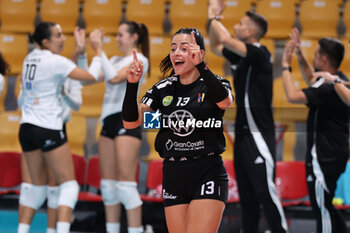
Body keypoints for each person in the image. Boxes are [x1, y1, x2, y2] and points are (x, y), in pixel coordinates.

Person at [122, 27, 233, 233]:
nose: (177, 53)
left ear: (198, 52)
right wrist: (132, 86)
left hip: (207, 169)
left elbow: (224, 102)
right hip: (173, 173)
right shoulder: (163, 89)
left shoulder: (213, 84)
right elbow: (131, 122)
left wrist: (202, 66)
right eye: (173, 49)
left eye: (184, 48)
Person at [207, 1, 288, 232]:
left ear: (250, 31)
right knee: (248, 198)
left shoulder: (260, 53)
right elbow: (215, 46)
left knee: (265, 191)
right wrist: (211, 14)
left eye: (241, 24)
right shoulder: (242, 58)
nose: (236, 26)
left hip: (258, 135)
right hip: (243, 135)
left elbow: (223, 39)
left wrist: (214, 17)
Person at [17, 22, 102, 233]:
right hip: (48, 128)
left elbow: (61, 68)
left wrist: (77, 52)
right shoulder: (55, 62)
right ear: (46, 42)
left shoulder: (30, 58)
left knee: (36, 188)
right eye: (58, 35)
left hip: (26, 129)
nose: (63, 38)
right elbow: (91, 76)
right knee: (69, 185)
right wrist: (97, 51)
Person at [86, 21, 149, 233]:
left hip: (126, 120)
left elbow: (113, 78)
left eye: (121, 34)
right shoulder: (113, 59)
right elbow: (91, 77)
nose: (117, 38)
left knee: (125, 184)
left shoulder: (140, 59)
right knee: (108, 186)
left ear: (134, 38)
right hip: (108, 121)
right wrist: (80, 50)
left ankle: (135, 230)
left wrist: (98, 48)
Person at [282, 35, 349, 233]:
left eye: (316, 53)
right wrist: (301, 54)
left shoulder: (327, 87)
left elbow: (292, 96)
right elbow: (313, 78)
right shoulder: (339, 80)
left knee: (321, 208)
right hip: (335, 153)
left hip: (323, 156)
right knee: (325, 203)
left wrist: (286, 65)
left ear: (324, 59)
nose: (314, 57)